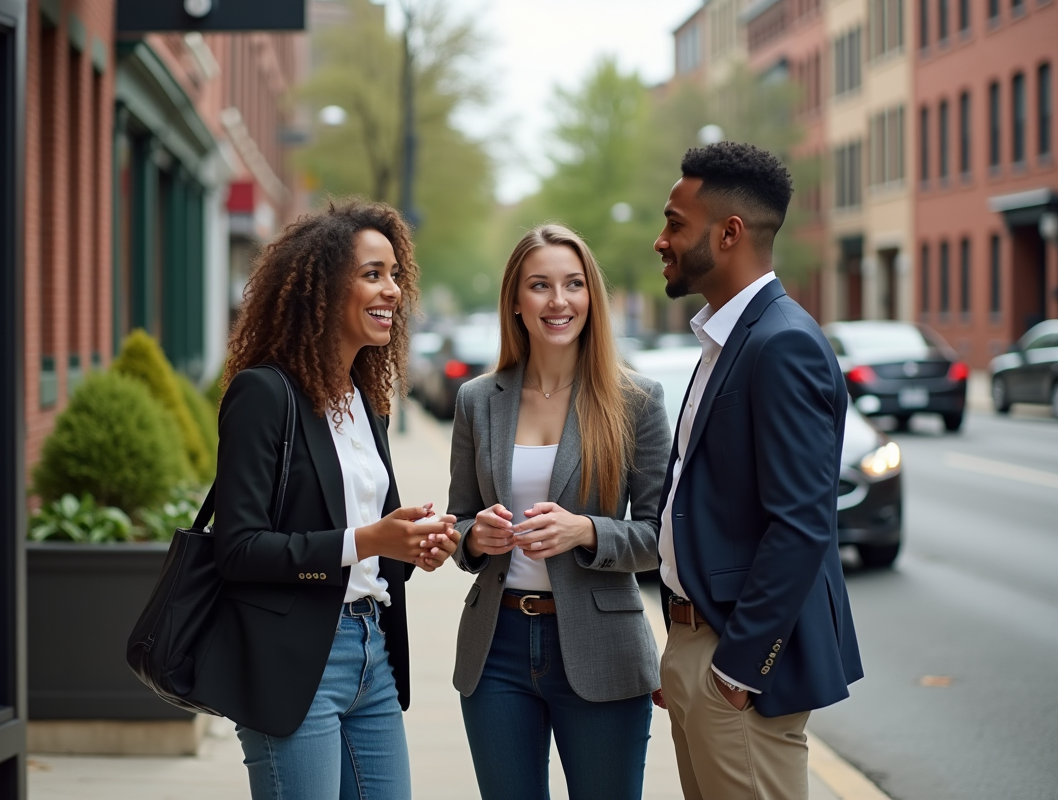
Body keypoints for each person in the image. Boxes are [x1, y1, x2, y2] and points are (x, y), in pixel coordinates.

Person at [198, 200, 460, 800]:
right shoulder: (263, 393)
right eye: (372, 274)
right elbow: (238, 549)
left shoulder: (364, 404)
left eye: (395, 274)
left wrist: (414, 546)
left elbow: (372, 558)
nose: (392, 290)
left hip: (373, 653)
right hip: (295, 666)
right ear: (319, 287)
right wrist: (369, 539)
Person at [652, 141, 864, 799]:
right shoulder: (728, 337)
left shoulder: (782, 343)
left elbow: (801, 525)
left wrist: (738, 671)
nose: (661, 241)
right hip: (698, 645)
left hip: (737, 668)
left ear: (729, 232)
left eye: (674, 223)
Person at [448, 224, 671, 800]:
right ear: (516, 302)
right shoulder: (478, 400)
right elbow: (460, 523)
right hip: (495, 647)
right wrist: (477, 539)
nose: (558, 301)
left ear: (591, 297)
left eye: (573, 284)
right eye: (540, 285)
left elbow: (659, 535)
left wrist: (585, 530)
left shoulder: (636, 400)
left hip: (602, 646)